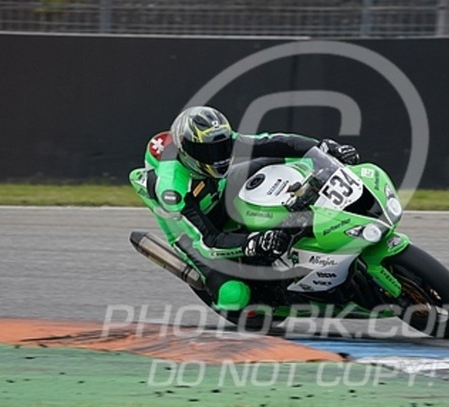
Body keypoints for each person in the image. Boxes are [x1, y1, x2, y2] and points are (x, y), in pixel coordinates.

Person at [131, 105, 360, 312]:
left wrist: (322, 148)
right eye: (209, 153)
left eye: (222, 148)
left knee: (275, 162)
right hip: (190, 231)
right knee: (234, 297)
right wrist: (254, 242)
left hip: (218, 189)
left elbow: (275, 142)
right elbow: (208, 241)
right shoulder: (172, 189)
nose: (218, 157)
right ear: (187, 152)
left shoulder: (220, 144)